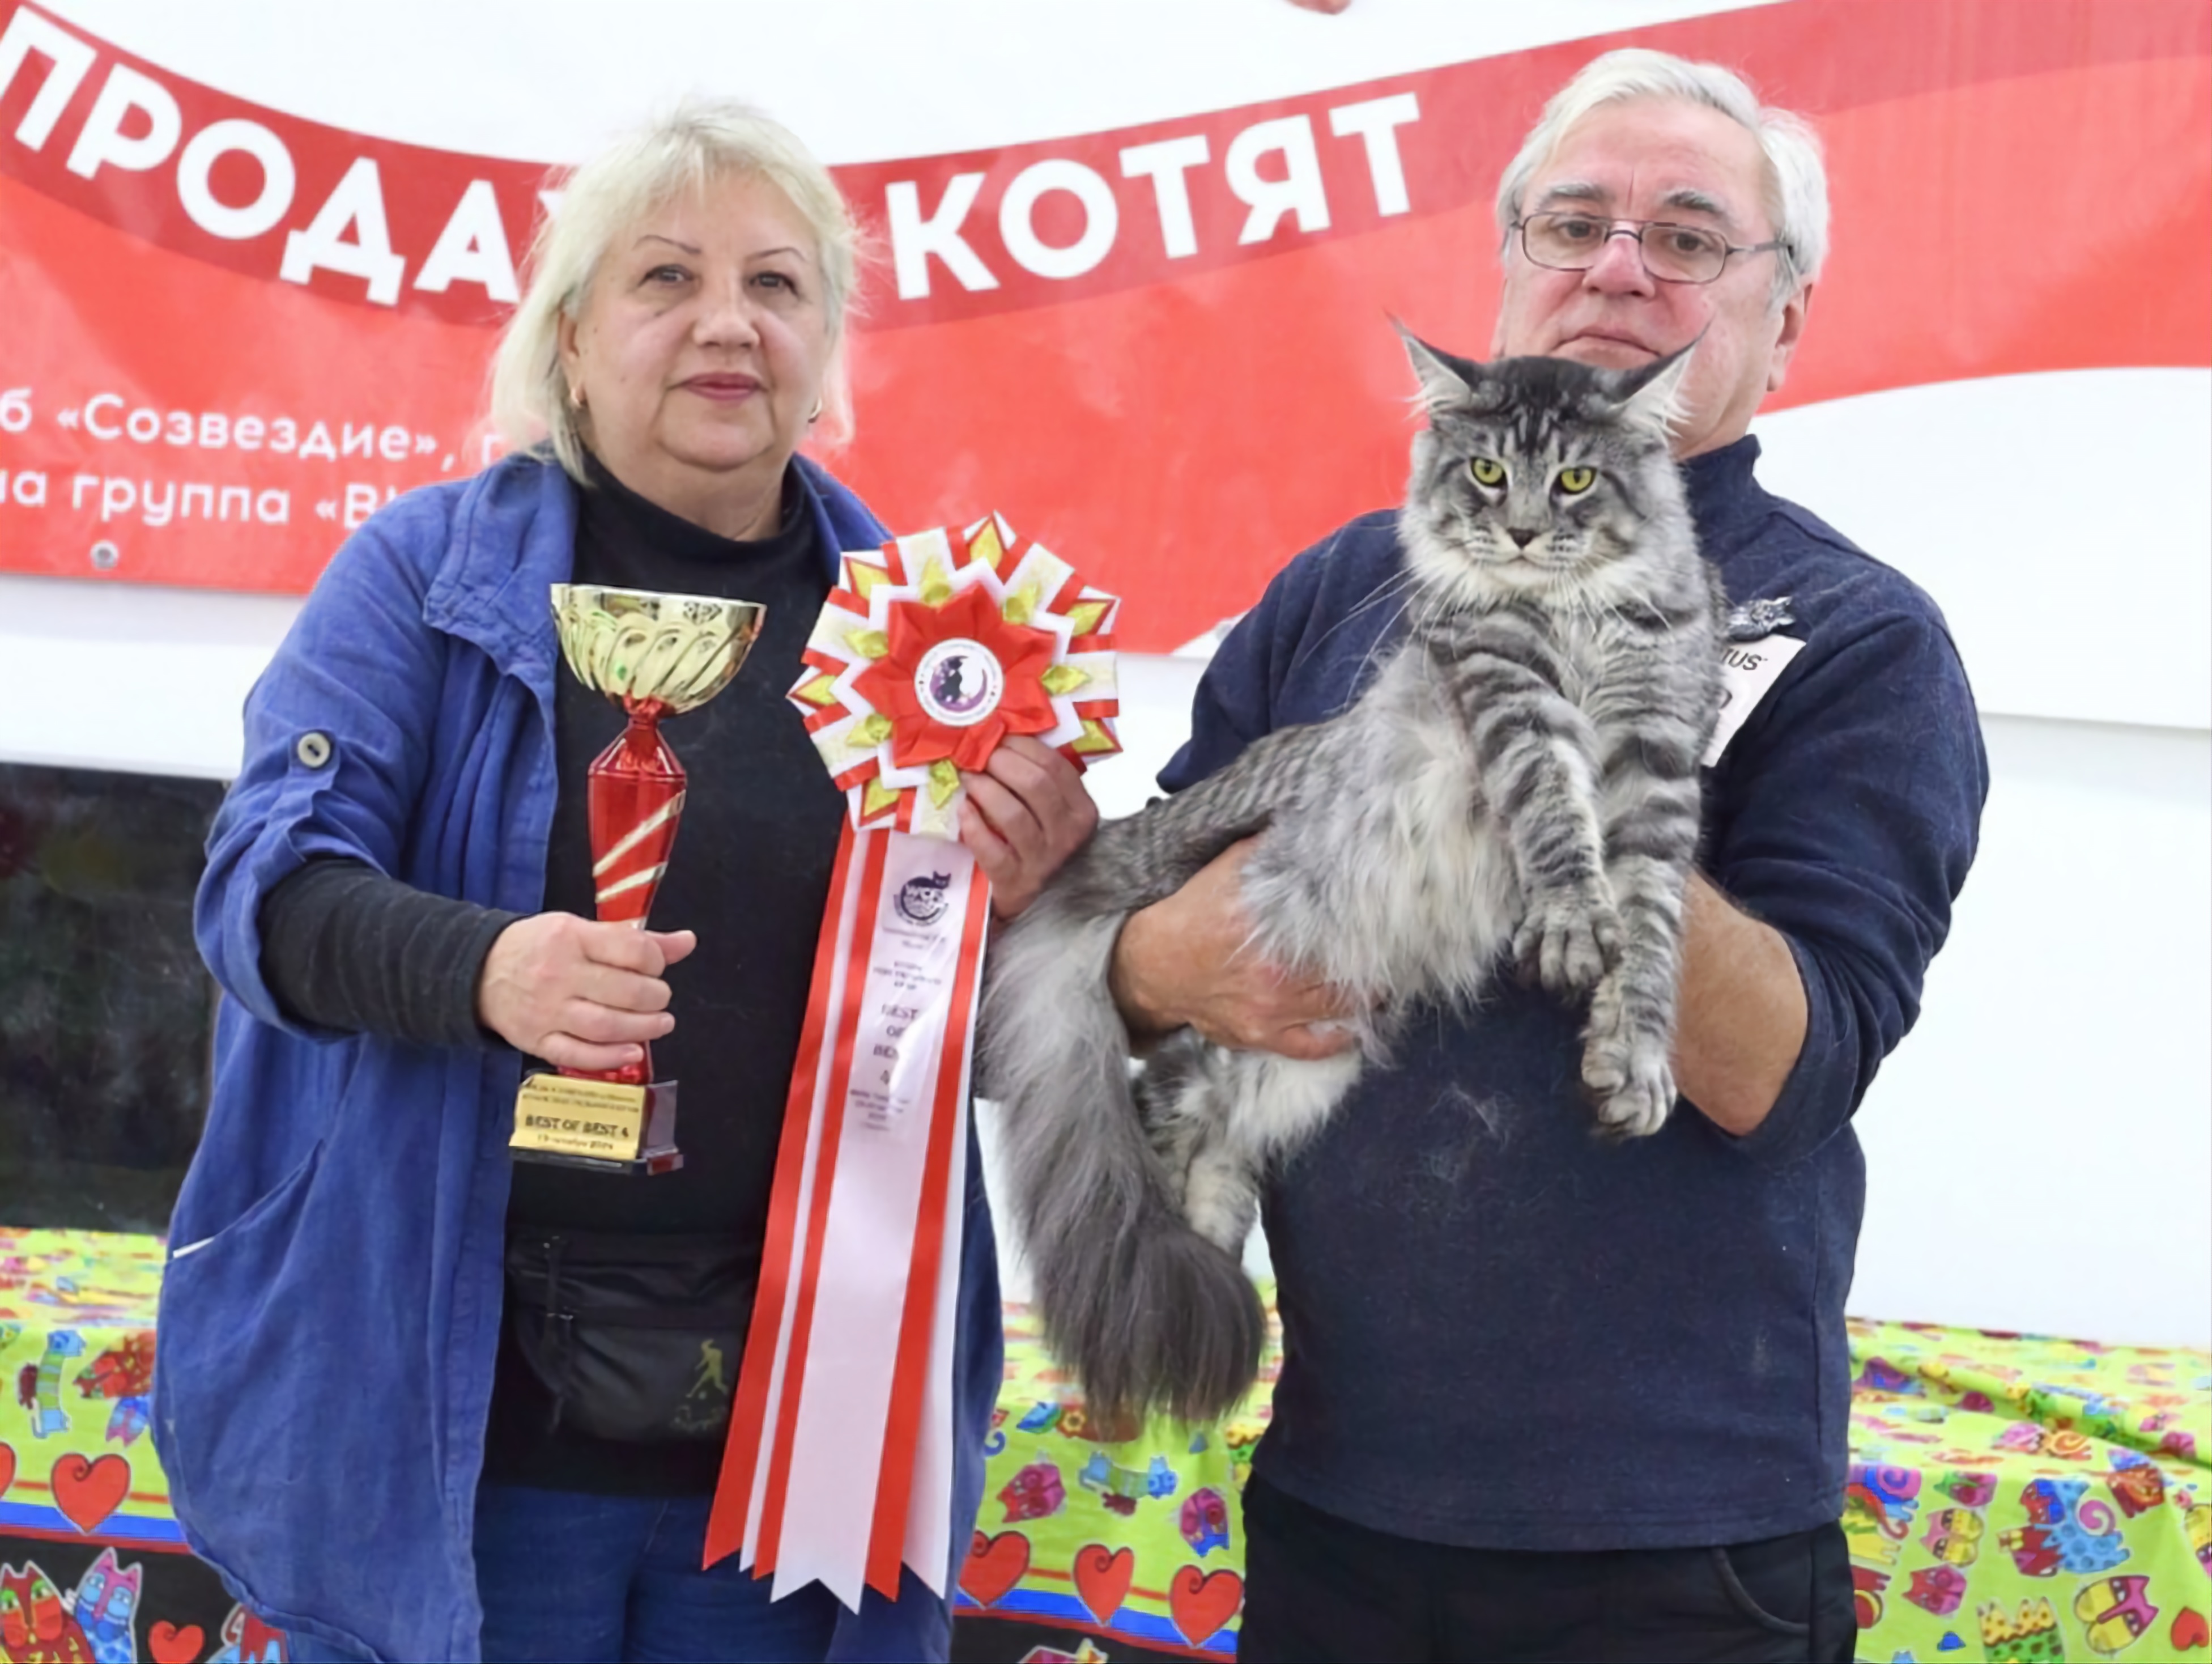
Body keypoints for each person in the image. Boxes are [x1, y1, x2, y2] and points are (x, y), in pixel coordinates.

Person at [157, 104, 1096, 1664]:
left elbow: (990, 1050)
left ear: (826, 347)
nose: (729, 322)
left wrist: (1049, 909)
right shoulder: (417, 574)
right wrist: (482, 970)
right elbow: (264, 895)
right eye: (668, 277)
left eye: (777, 284)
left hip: (793, 1466)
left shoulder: (941, 648)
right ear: (571, 343)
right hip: (459, 1456)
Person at [1108, 49, 1987, 1664]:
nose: (1619, 268)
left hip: (1672, 1551)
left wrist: (1564, 752)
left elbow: (1789, 1076)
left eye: (1690, 238)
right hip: (1338, 1500)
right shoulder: (1339, 586)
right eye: (1574, 224)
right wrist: (1144, 957)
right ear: (1512, 270)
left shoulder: (1863, 638)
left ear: (1786, 319)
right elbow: (1145, 946)